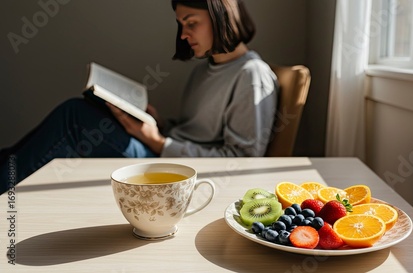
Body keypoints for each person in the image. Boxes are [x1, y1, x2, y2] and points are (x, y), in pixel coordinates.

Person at [0, 0, 278, 195]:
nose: (183, 35)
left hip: (185, 169)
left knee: (75, 118)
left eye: (191, 23)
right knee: (85, 111)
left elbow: (242, 160)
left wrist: (157, 141)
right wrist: (156, 123)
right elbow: (195, 131)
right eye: (181, 24)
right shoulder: (206, 70)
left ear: (221, 17)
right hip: (166, 150)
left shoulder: (251, 75)